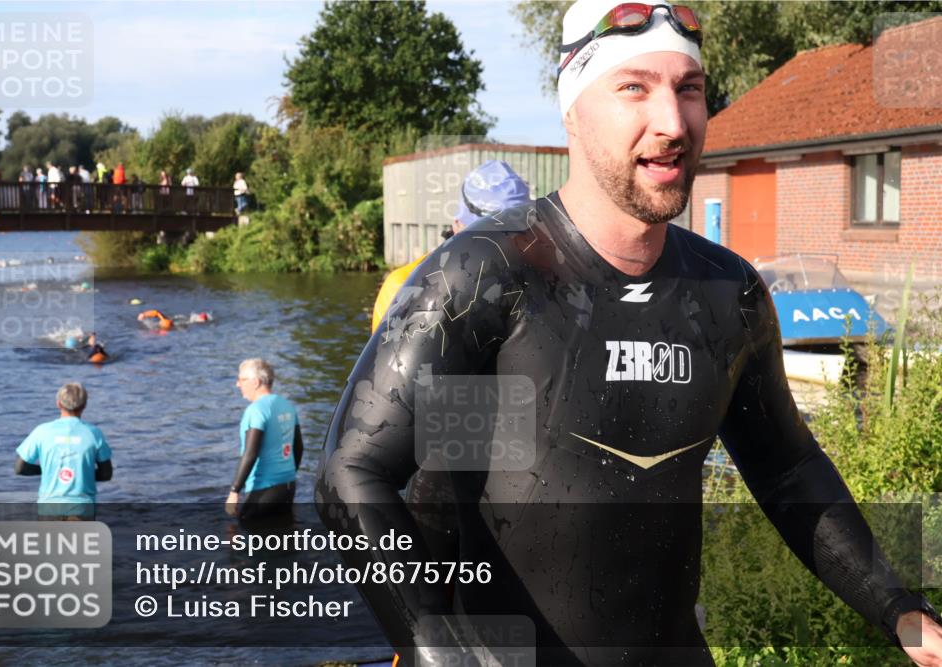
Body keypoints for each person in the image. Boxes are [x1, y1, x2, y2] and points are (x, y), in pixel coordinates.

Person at [316, 2, 942, 666]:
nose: (672, 123)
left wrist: (900, 609)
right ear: (573, 111)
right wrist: (433, 646)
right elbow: (352, 471)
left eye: (689, 89)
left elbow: (787, 470)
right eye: (634, 88)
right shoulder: (486, 274)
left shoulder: (727, 292)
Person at [371, 160, 532, 333]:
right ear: (457, 225)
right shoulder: (401, 287)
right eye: (486, 238)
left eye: (513, 237)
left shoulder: (537, 284)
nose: (501, 250)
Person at [14, 382, 113, 519]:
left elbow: (19, 468)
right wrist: (82, 473)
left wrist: (48, 470)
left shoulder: (42, 431)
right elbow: (106, 474)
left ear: (59, 404)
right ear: (84, 405)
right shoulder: (94, 433)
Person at [226, 359, 302, 520]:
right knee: (282, 531)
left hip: (263, 490)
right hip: (288, 486)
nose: (238, 384)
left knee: (246, 529)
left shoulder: (256, 410)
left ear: (255, 382)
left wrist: (234, 491)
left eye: (241, 379)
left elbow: (250, 453)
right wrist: (288, 474)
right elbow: (299, 447)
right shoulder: (287, 405)